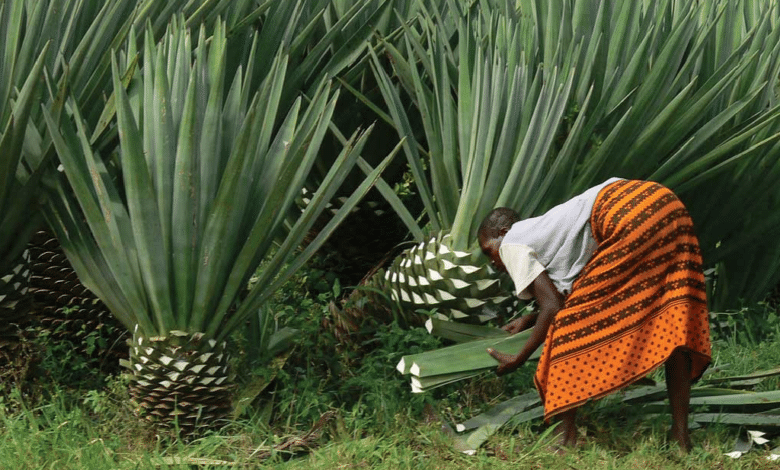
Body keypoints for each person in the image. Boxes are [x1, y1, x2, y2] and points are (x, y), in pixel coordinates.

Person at [478, 178, 711, 452]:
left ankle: (564, 438)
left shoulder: (512, 243)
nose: (493, 262)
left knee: (566, 330)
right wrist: (530, 320)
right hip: (666, 204)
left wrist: (520, 357)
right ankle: (681, 438)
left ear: (504, 232)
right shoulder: (552, 234)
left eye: (488, 251)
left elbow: (553, 309)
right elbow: (571, 298)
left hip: (626, 212)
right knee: (671, 318)